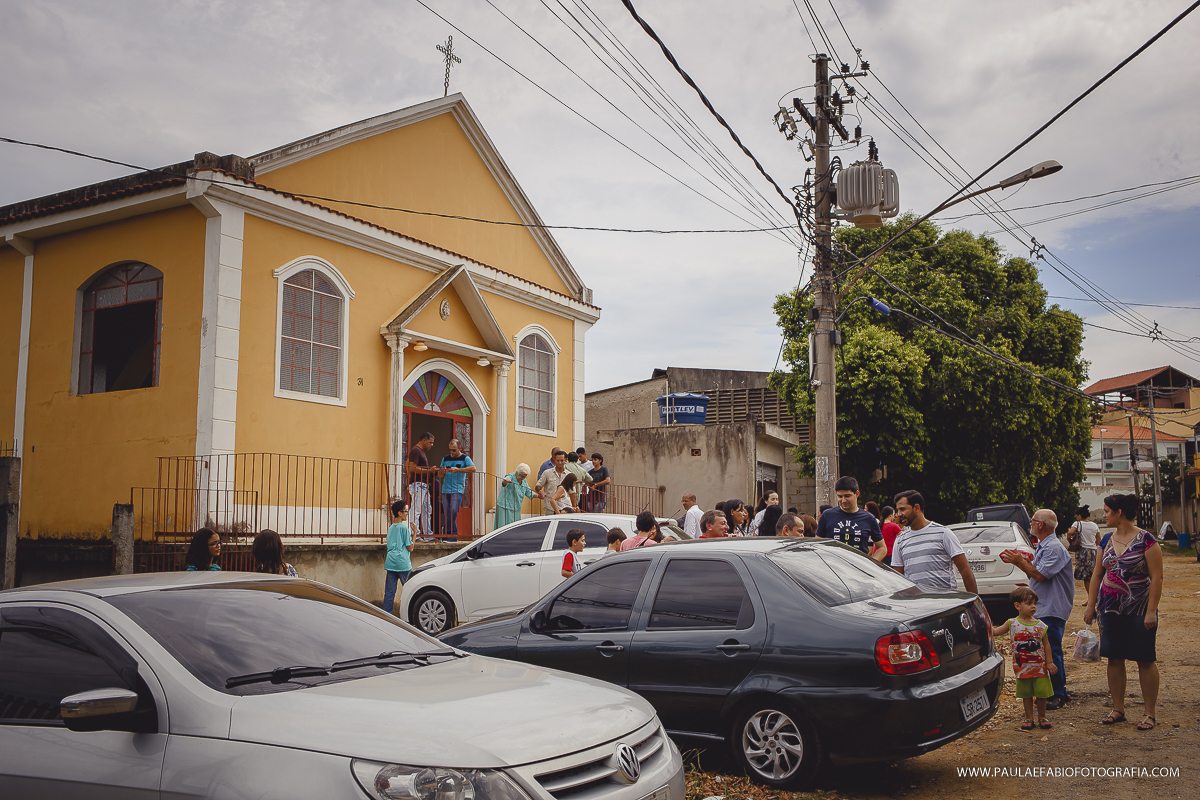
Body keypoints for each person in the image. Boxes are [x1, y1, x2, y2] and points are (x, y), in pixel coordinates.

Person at [1084, 492, 1163, 731]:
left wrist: (1151, 611)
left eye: (1107, 511)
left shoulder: (1147, 540)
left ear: (1119, 513)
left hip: (1140, 609)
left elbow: (1157, 577)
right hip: (1110, 610)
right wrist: (1090, 605)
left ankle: (1149, 713)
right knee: (1114, 658)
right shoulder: (1105, 540)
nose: (1104, 515)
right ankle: (1118, 708)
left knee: (1145, 659)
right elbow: (1097, 574)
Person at [1001, 509, 1074, 709]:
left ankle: (1057, 694)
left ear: (1041, 524)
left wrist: (1020, 562)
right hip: (1045, 606)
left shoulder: (1053, 548)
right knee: (1046, 650)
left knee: (1052, 651)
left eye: (1033, 521)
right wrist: (1023, 563)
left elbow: (1040, 575)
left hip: (1052, 607)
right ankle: (1057, 691)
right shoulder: (1043, 546)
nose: (1030, 524)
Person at [992, 587, 1058, 731]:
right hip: (1022, 668)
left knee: (1042, 694)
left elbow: (1046, 645)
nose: (1033, 606)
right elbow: (995, 632)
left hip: (1040, 668)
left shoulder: (1041, 626)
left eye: (1035, 603)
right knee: (1026, 695)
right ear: (1018, 606)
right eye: (1029, 603)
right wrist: (984, 626)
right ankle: (1029, 718)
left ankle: (1042, 717)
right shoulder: (1012, 623)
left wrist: (1050, 662)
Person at [891, 490, 978, 595]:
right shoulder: (900, 540)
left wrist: (975, 602)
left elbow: (964, 569)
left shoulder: (943, 533)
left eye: (902, 509)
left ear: (916, 508)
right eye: (898, 510)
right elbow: (898, 578)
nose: (899, 514)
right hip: (917, 606)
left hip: (945, 603)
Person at [815, 477, 887, 561]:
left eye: (847, 496)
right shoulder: (827, 515)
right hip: (832, 568)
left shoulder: (869, 518)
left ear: (857, 494)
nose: (843, 500)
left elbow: (882, 548)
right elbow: (817, 544)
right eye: (840, 496)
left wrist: (871, 565)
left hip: (857, 570)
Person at [382, 499, 414, 616]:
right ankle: (410, 615)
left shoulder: (390, 528)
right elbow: (410, 548)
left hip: (391, 562)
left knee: (389, 593)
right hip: (402, 563)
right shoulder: (404, 528)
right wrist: (414, 533)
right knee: (410, 590)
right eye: (405, 511)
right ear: (400, 513)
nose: (406, 513)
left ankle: (386, 616)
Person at [437, 439, 475, 540]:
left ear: (459, 448)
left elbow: (473, 468)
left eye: (454, 450)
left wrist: (459, 470)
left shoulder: (465, 458)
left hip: (457, 489)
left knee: (453, 511)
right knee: (447, 512)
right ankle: (452, 536)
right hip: (445, 489)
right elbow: (439, 474)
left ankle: (446, 533)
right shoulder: (445, 458)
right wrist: (442, 471)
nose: (451, 452)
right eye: (450, 450)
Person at [406, 432, 438, 540]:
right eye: (430, 442)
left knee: (427, 510)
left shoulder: (420, 451)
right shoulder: (416, 451)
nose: (431, 445)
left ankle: (427, 535)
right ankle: (415, 535)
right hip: (418, 485)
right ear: (424, 440)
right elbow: (411, 468)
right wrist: (429, 470)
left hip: (423, 486)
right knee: (416, 510)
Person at [496, 464, 539, 530]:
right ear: (517, 473)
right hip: (505, 506)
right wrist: (507, 481)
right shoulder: (511, 476)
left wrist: (538, 496)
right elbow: (504, 481)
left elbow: (528, 491)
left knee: (514, 527)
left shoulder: (524, 481)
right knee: (503, 527)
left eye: (524, 477)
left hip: (516, 507)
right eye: (521, 476)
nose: (523, 478)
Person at [1069, 505, 1100, 581]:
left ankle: (1089, 592)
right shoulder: (1094, 525)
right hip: (1093, 551)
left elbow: (1070, 533)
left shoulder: (1077, 524)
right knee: (1092, 574)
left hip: (1082, 550)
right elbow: (1098, 540)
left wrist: (1070, 541)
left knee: (1085, 576)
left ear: (1079, 515)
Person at [536, 451, 570, 515]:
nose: (560, 463)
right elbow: (538, 486)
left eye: (562, 460)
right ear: (554, 460)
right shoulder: (547, 473)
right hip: (550, 508)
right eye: (558, 460)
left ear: (565, 460)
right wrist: (540, 491)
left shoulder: (568, 474)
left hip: (564, 509)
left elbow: (572, 492)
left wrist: (575, 506)